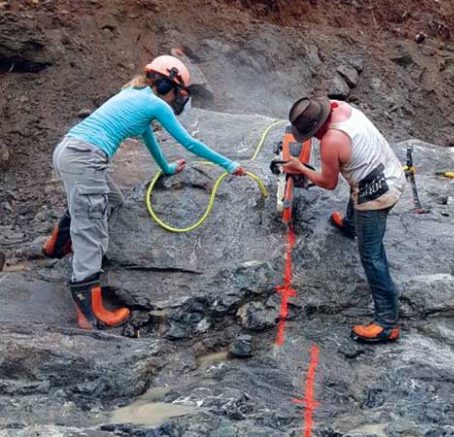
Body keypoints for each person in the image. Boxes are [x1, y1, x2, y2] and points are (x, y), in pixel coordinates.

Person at [43, 55, 246, 330]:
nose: (178, 98)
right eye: (178, 91)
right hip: (85, 157)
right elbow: (188, 142)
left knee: (113, 201)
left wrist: (166, 168)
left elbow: (148, 137)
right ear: (164, 85)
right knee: (92, 228)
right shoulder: (153, 102)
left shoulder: (133, 94)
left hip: (70, 150)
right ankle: (89, 313)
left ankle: (60, 241)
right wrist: (228, 164)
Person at [284, 97, 405, 343]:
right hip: (386, 168)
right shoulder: (340, 106)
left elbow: (329, 183)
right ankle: (352, 224)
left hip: (378, 194)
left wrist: (301, 167)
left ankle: (387, 323)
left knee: (371, 256)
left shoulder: (331, 141)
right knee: (356, 176)